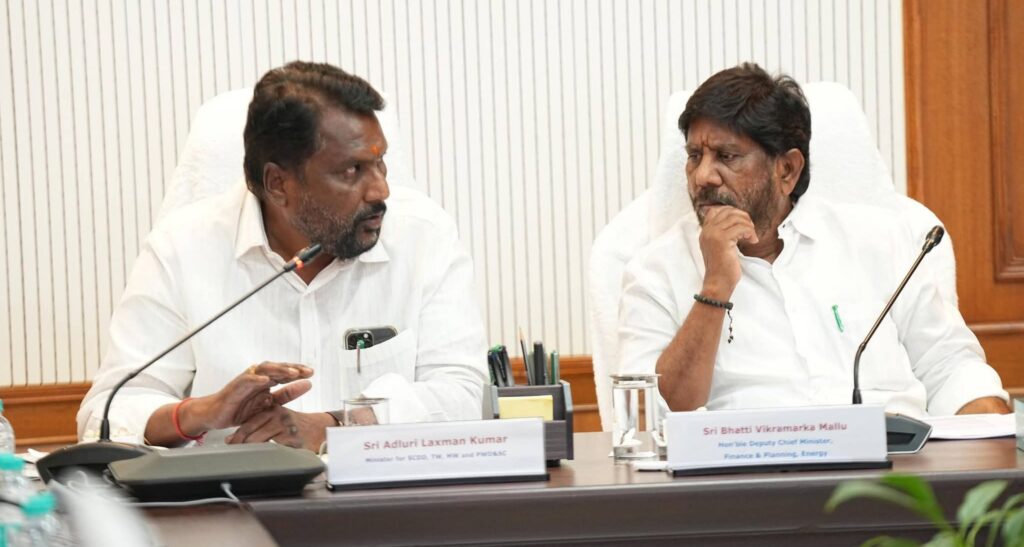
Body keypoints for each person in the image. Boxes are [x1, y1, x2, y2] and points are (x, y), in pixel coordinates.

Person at [77, 61, 488, 450]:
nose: (381, 190)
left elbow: (463, 393)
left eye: (380, 164)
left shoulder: (423, 236)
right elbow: (105, 414)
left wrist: (336, 425)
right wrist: (202, 412)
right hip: (233, 497)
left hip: (385, 496)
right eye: (351, 171)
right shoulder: (181, 249)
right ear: (277, 183)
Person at [617, 63, 1009, 417]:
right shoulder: (655, 271)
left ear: (786, 170)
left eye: (727, 156)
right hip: (748, 467)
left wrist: (990, 425)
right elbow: (650, 416)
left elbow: (950, 367)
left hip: (893, 463)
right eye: (694, 156)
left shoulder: (882, 240)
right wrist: (715, 287)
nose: (703, 176)